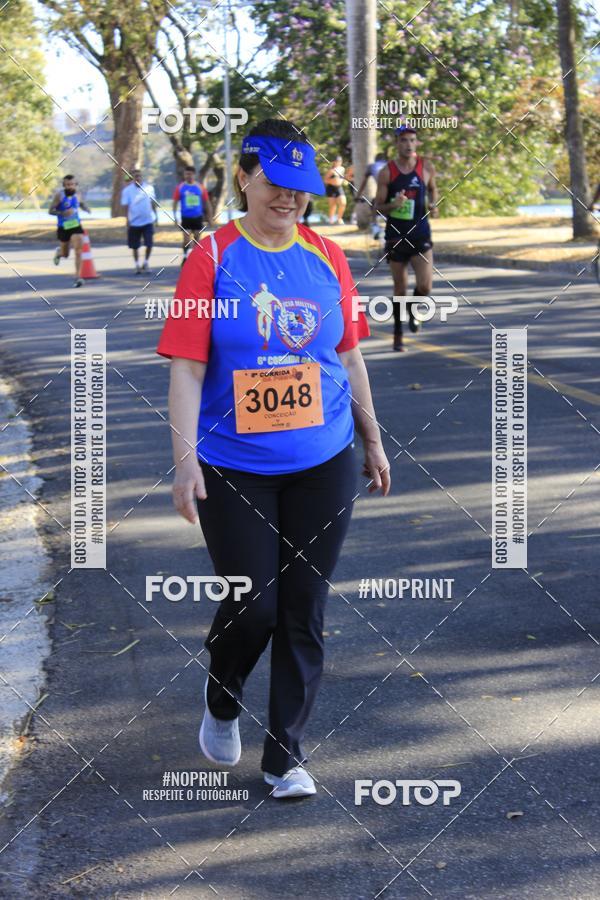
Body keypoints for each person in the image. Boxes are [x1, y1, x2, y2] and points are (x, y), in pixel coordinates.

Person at [157, 118, 391, 800]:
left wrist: (372, 439)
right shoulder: (211, 257)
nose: (289, 199)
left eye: (301, 188)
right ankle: (223, 696)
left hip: (324, 458)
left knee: (303, 609)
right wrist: (183, 460)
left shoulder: (328, 256)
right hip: (234, 465)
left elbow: (347, 355)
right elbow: (187, 368)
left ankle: (285, 755)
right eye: (275, 185)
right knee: (253, 605)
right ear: (244, 177)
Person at [375, 126, 439, 352]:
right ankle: (398, 334)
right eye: (404, 140)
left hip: (420, 233)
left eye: (412, 140)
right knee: (400, 287)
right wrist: (394, 205)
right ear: (397, 143)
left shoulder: (426, 167)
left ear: (416, 143)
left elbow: (433, 190)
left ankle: (413, 310)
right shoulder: (387, 172)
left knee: (425, 285)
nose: (408, 144)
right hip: (396, 237)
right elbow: (377, 207)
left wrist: (433, 205)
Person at [48, 175, 91, 288]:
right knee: (65, 254)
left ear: (75, 185)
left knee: (78, 250)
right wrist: (62, 213)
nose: (70, 187)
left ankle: (78, 277)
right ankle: (59, 253)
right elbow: (51, 210)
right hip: (63, 227)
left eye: (72, 184)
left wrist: (86, 208)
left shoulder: (78, 194)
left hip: (76, 225)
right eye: (67, 185)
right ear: (64, 185)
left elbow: (80, 203)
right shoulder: (59, 195)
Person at [172, 165, 214, 265]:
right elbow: (175, 202)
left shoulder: (200, 187)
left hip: (197, 217)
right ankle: (186, 256)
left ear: (194, 175)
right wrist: (175, 218)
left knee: (197, 239)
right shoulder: (180, 187)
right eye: (186, 174)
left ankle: (195, 259)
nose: (188, 176)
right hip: (185, 217)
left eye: (190, 174)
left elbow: (207, 202)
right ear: (184, 175)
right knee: (186, 239)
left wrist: (210, 217)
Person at [121, 168, 157, 274]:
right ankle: (137, 265)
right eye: (135, 176)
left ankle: (146, 262)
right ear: (132, 178)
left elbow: (152, 203)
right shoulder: (127, 191)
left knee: (149, 244)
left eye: (139, 176)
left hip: (148, 221)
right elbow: (126, 206)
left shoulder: (149, 188)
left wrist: (156, 217)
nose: (138, 178)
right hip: (134, 222)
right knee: (135, 246)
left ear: (142, 177)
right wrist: (127, 219)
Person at [355, 152, 388, 238]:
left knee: (375, 205)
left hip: (383, 188)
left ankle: (375, 227)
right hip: (396, 188)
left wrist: (358, 196)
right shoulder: (389, 164)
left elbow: (363, 183)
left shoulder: (372, 166)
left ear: (376, 160)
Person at [324, 155, 347, 224]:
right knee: (332, 205)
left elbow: (343, 177)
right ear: (334, 162)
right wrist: (333, 180)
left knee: (343, 203)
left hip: (339, 188)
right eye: (337, 161)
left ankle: (339, 218)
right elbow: (325, 180)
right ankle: (331, 219)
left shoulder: (342, 169)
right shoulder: (331, 171)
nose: (338, 162)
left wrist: (342, 181)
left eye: (340, 161)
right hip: (331, 188)